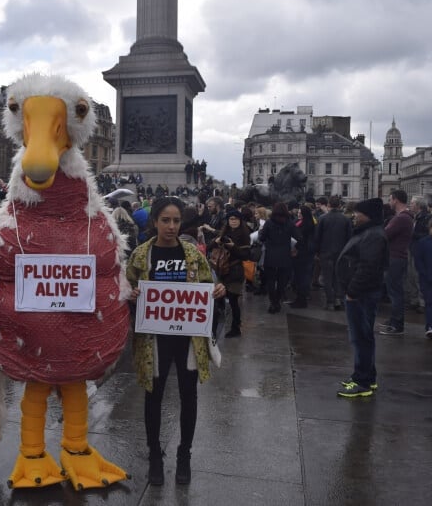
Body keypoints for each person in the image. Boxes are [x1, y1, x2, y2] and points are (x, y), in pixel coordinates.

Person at [126, 196, 226, 486]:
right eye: (165, 220)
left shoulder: (193, 254)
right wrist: (130, 294)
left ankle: (184, 454)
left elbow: (208, 283)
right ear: (155, 222)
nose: (171, 226)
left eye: (176, 221)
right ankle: (155, 455)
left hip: (188, 340)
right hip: (154, 339)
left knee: (188, 396)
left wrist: (217, 290)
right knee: (153, 396)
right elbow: (127, 284)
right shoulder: (141, 254)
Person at [336, 198, 388, 397]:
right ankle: (367, 375)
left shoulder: (373, 235)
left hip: (361, 294)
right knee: (363, 337)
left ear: (368, 215)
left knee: (361, 338)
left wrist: (352, 291)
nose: (354, 216)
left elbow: (368, 267)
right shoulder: (369, 232)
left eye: (358, 213)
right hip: (362, 292)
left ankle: (362, 382)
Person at [379, 190, 413, 336]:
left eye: (390, 199)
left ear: (396, 200)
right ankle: (394, 320)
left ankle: (397, 325)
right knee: (395, 291)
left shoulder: (401, 218)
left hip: (395, 258)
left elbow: (384, 235)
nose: (389, 202)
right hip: (397, 257)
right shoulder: (404, 217)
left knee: (395, 292)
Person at [214, 208, 251, 337]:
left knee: (234, 300)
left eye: (236, 219)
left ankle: (236, 327)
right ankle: (215, 325)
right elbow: (211, 247)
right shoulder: (224, 232)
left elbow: (246, 255)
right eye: (231, 219)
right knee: (219, 298)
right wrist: (216, 242)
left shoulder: (244, 234)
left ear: (240, 221)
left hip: (235, 271)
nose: (233, 221)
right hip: (222, 270)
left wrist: (233, 247)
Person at [259, 202, 301, 314]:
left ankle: (273, 302)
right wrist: (295, 248)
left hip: (271, 255)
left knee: (271, 281)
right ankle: (277, 300)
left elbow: (262, 238)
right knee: (282, 281)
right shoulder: (290, 223)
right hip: (285, 255)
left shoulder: (268, 223)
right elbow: (300, 238)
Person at [314, 196, 352, 311]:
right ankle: (338, 299)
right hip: (341, 253)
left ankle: (330, 301)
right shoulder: (345, 219)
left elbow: (318, 237)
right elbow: (349, 237)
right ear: (339, 206)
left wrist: (317, 251)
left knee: (327, 278)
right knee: (338, 277)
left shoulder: (322, 218)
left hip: (325, 252)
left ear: (329, 205)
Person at [412, 216, 432, 339]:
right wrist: (424, 274)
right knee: (430, 303)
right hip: (428, 280)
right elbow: (418, 261)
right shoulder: (423, 242)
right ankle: (430, 327)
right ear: (430, 229)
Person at [289, 204, 316, 309]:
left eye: (301, 213)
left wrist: (296, 248)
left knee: (302, 277)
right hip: (300, 252)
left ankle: (302, 299)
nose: (298, 214)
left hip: (303, 253)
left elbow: (302, 239)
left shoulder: (307, 225)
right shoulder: (299, 222)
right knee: (299, 277)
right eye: (298, 212)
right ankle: (299, 298)